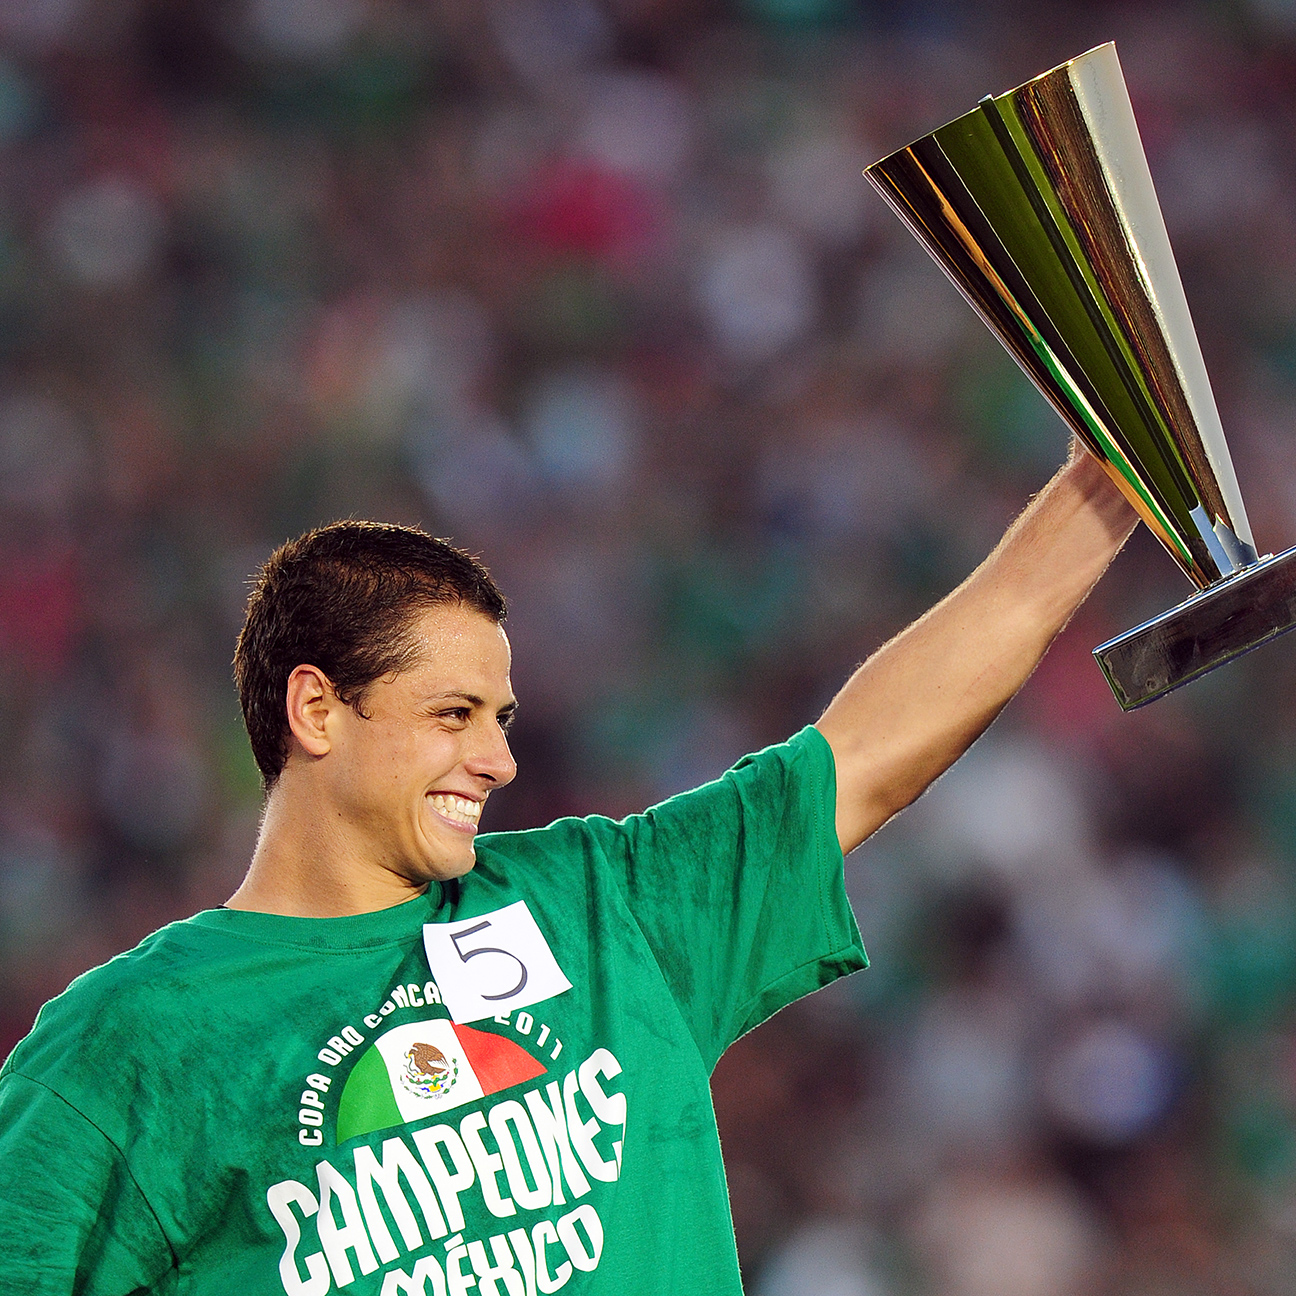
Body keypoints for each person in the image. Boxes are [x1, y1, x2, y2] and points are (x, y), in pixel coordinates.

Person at [0, 441, 1134, 1295]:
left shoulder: (602, 905)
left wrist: (1103, 489)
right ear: (316, 709)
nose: (495, 759)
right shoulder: (135, 1042)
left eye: (499, 717)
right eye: (452, 714)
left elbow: (865, 760)